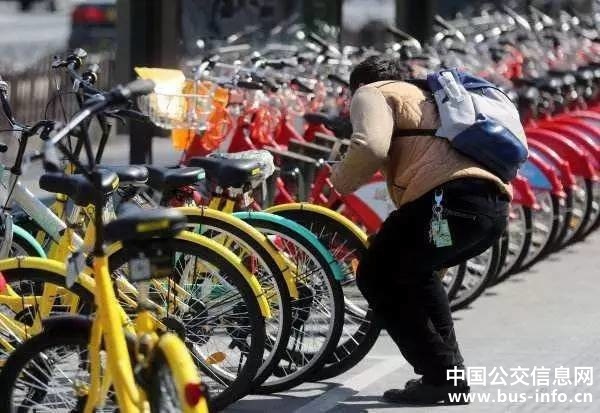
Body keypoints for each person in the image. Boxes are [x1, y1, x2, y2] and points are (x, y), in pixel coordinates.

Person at [330, 55, 513, 405]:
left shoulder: (372, 92)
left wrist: (341, 178)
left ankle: (440, 377)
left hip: (445, 202)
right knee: (419, 277)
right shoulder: (427, 95)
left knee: (376, 275)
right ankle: (449, 377)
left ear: (359, 85)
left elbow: (370, 146)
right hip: (488, 208)